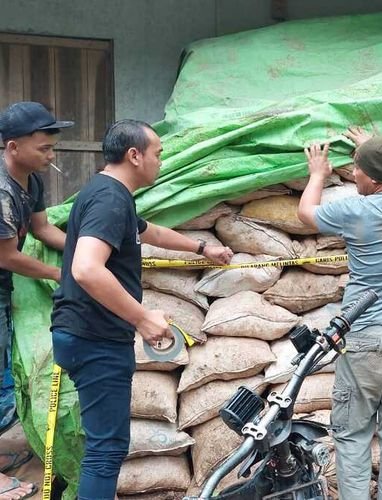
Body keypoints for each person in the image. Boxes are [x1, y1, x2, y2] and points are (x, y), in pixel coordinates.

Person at [50, 119, 233, 500]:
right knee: (107, 450)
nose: (161, 162)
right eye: (157, 154)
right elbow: (86, 268)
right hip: (95, 337)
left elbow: (150, 232)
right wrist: (142, 316)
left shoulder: (108, 194)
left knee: (105, 443)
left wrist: (203, 250)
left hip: (85, 332)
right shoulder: (109, 198)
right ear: (134, 155)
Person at [297, 127, 382, 499]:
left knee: (353, 433)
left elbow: (307, 212)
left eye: (357, 168)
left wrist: (318, 175)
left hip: (367, 336)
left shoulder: (355, 210)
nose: (352, 174)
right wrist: (373, 149)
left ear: (371, 177)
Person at [0, 101, 72, 500]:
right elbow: (7, 255)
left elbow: (43, 229)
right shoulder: (2, 191)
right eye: (43, 148)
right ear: (13, 146)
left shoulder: (32, 180)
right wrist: (61, 273)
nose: (51, 154)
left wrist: (83, 253)